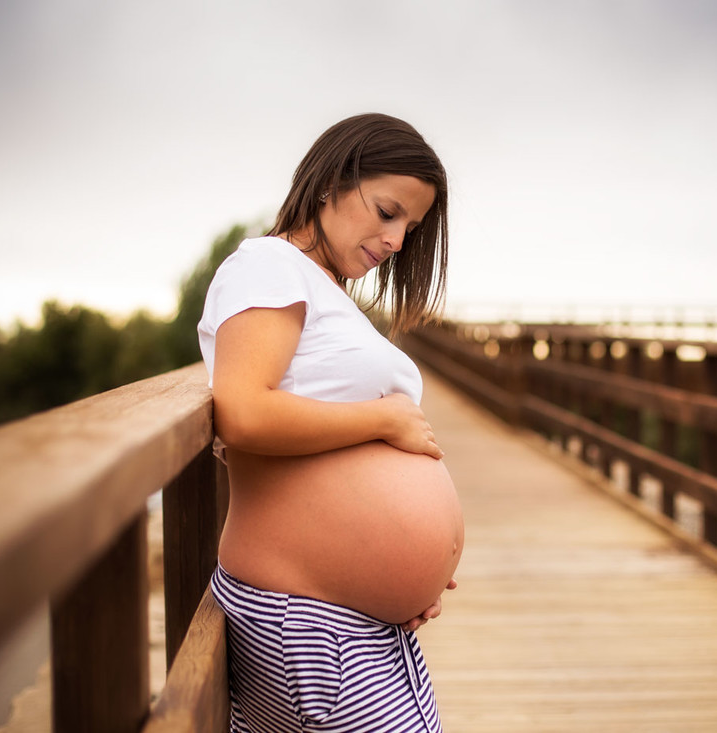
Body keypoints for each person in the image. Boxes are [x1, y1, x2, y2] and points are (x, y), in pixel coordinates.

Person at [198, 113, 464, 733]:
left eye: (411, 227)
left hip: (351, 622)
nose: (397, 240)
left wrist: (406, 574)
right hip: (313, 622)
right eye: (387, 210)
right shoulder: (267, 264)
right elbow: (242, 412)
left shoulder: (318, 288)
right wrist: (384, 420)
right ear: (331, 183)